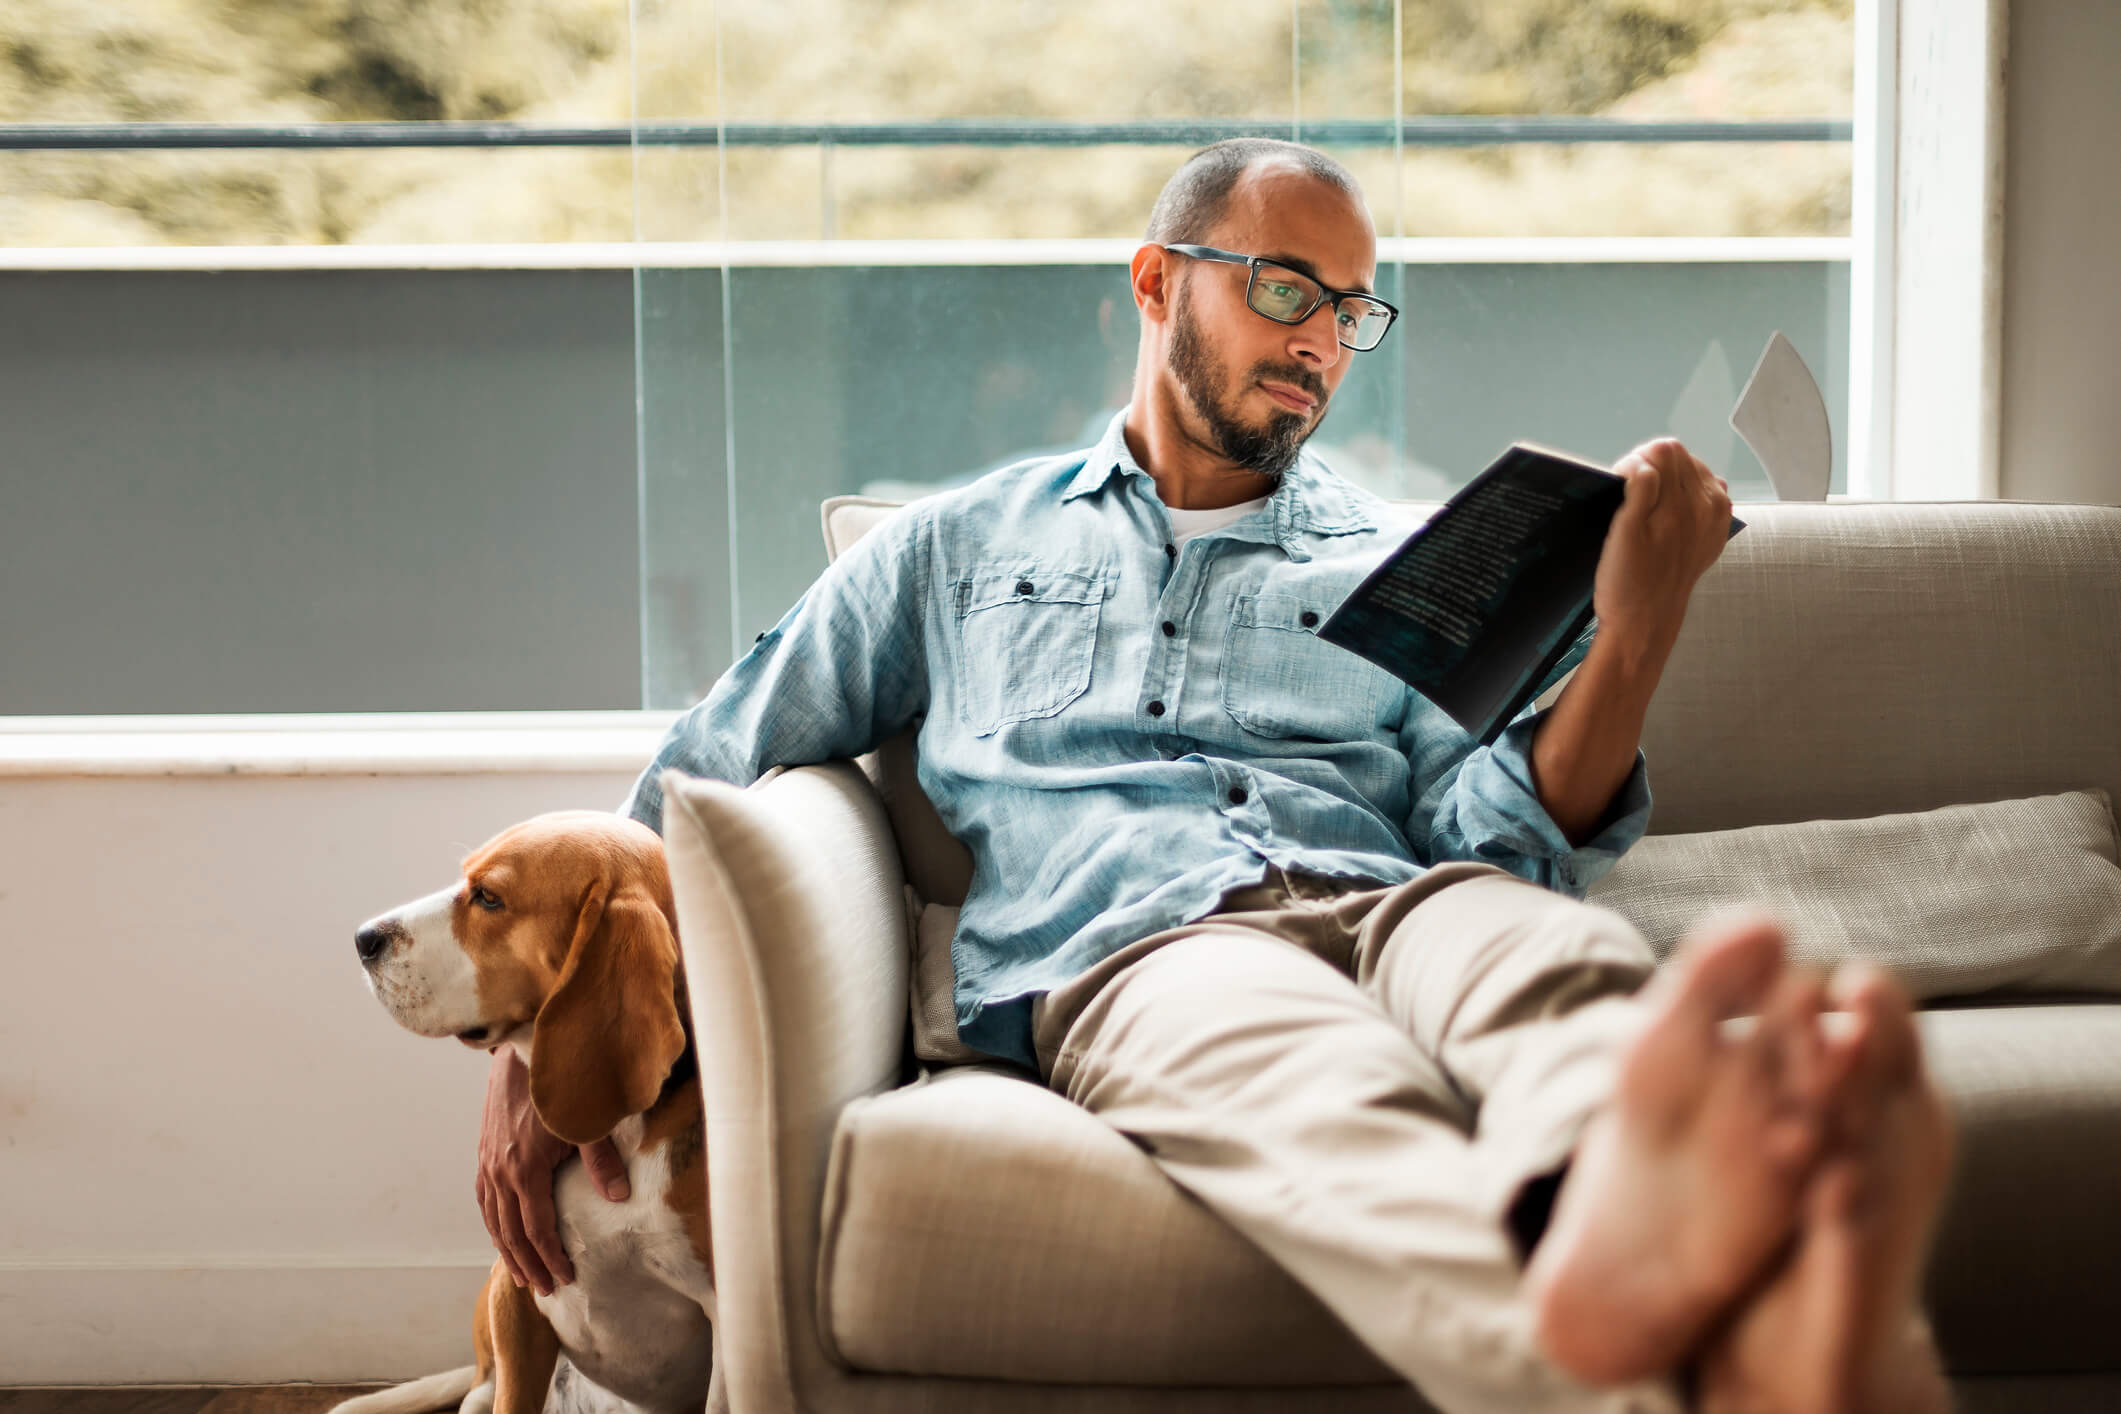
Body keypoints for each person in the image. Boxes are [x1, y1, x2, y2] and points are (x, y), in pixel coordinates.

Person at [475, 138, 1955, 1412]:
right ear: (1154, 279)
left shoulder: (1398, 559)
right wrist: (539, 1051)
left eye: (1351, 312)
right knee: (1336, 1105)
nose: (1319, 339)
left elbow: (1498, 843)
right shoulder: (958, 547)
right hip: (1151, 949)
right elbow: (705, 758)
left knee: (1554, 972)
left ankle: (1671, 1210)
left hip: (1406, 897)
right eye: (1283, 289)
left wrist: (1635, 631)